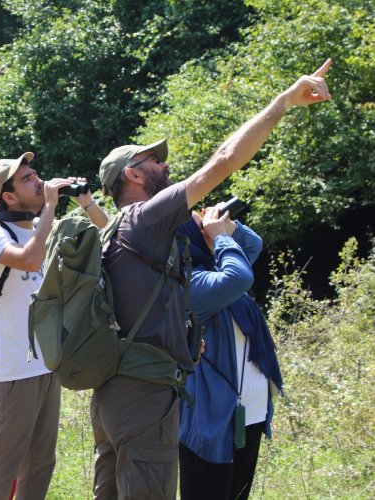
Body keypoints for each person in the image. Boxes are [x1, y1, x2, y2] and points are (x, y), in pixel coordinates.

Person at [91, 59, 331, 498]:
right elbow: (223, 161)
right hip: (143, 394)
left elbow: (245, 252)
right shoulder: (145, 218)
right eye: (156, 160)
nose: (166, 165)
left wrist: (222, 233)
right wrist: (283, 102)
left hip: (120, 390)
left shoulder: (124, 232)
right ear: (132, 174)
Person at [0, 179, 107, 500]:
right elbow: (30, 259)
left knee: (41, 462)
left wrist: (87, 203)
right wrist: (50, 206)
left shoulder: (43, 226)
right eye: (27, 179)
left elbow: (106, 239)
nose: (38, 181)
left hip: (47, 363)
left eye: (36, 175)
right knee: (3, 466)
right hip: (12, 371)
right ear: (9, 196)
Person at [176, 206, 282, 500]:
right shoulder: (190, 282)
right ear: (187, 239)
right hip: (212, 418)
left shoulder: (218, 265)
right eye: (201, 227)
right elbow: (238, 278)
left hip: (248, 412)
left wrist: (229, 227)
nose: (209, 227)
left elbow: (253, 245)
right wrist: (221, 237)